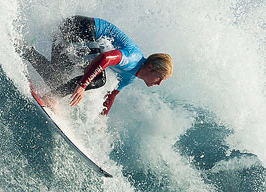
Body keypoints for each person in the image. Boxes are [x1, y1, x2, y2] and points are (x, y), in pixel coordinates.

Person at [19, 15, 172, 116]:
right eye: (160, 78)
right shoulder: (132, 59)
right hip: (80, 27)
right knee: (98, 78)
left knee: (56, 79)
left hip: (75, 33)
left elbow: (110, 97)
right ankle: (51, 97)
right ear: (151, 67)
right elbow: (105, 58)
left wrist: (101, 122)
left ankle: (24, 49)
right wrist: (82, 85)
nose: (159, 83)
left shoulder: (130, 76)